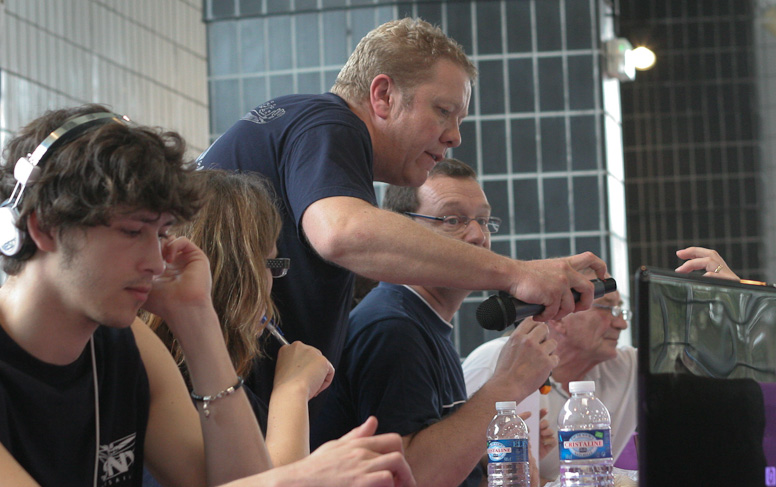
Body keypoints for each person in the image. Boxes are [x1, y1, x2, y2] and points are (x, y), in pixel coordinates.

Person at [0, 105, 415, 487]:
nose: (155, 261)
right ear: (43, 227)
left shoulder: (130, 347)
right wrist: (293, 483)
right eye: (132, 231)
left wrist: (196, 315)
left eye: (161, 233)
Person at [196, 17, 607, 413]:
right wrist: (517, 274)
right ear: (383, 96)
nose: (455, 136)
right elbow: (342, 233)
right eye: (443, 110)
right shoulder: (330, 122)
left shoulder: (300, 125)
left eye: (459, 119)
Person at [311, 159, 558, 487]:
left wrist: (493, 467)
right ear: (401, 233)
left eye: (484, 221)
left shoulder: (422, 321)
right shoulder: (393, 328)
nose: (478, 236)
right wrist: (509, 383)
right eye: (453, 220)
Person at [141, 169, 334, 469]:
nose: (271, 283)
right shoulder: (169, 384)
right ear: (236, 272)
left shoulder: (224, 382)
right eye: (268, 263)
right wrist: (292, 390)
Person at [462, 287, 637, 484]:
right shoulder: (497, 362)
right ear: (559, 317)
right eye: (606, 308)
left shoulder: (627, 366)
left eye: (619, 309)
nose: (622, 324)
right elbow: (459, 480)